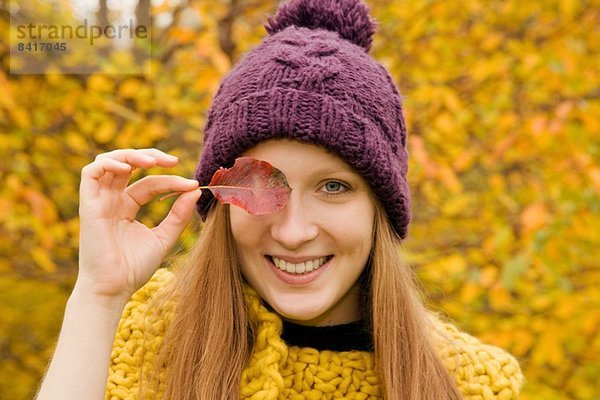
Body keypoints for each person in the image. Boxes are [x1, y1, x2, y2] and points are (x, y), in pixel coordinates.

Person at [36, 0, 523, 399]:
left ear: (381, 207)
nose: (293, 232)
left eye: (334, 187)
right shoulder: (139, 335)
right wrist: (97, 298)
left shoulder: (471, 383)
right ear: (222, 198)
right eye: (263, 185)